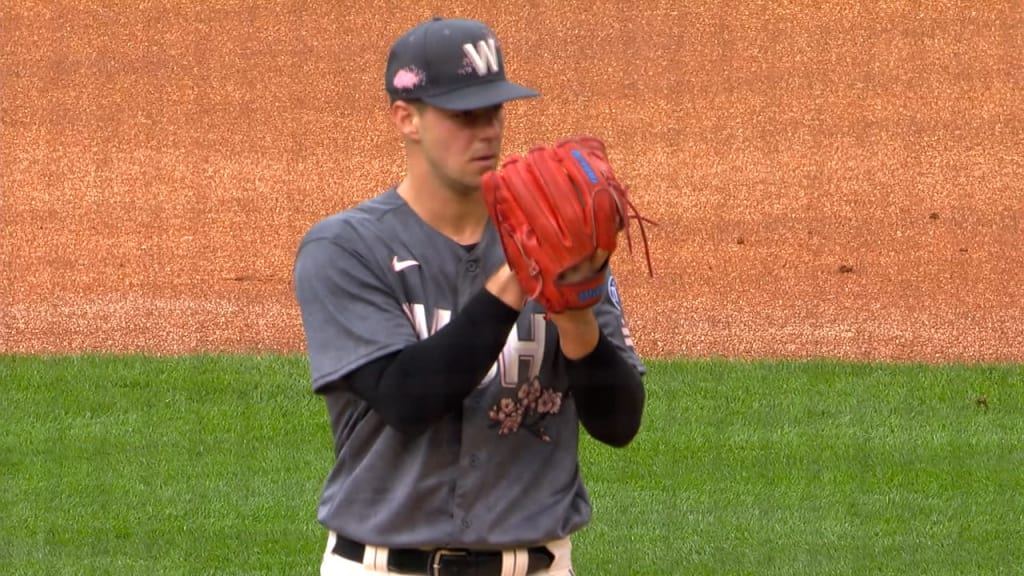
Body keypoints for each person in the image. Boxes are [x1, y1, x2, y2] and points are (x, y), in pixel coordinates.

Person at [292, 16, 647, 576]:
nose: (486, 130)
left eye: (495, 111)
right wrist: (517, 274)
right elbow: (407, 399)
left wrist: (576, 315)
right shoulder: (346, 248)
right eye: (464, 115)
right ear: (406, 118)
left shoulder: (561, 235)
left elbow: (619, 423)